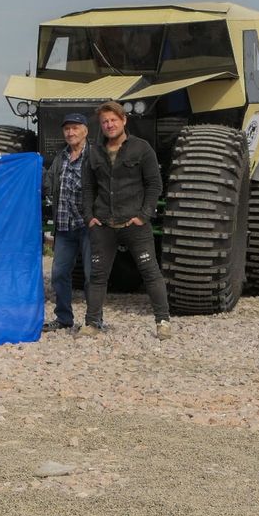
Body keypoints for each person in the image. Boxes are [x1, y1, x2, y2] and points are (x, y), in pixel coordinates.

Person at [80, 100, 171, 339]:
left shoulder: (142, 149)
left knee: (150, 272)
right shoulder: (94, 152)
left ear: (124, 121)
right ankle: (92, 323)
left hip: (134, 224)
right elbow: (88, 187)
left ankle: (163, 322)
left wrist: (144, 215)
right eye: (105, 122)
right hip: (103, 226)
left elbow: (154, 185)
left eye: (113, 120)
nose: (109, 125)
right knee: (98, 277)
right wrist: (89, 217)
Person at [43, 113, 92, 333]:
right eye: (67, 129)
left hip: (89, 226)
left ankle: (94, 320)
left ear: (85, 131)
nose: (70, 133)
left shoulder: (95, 156)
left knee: (92, 276)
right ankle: (63, 318)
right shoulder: (60, 158)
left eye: (75, 128)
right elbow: (48, 184)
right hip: (63, 226)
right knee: (59, 274)